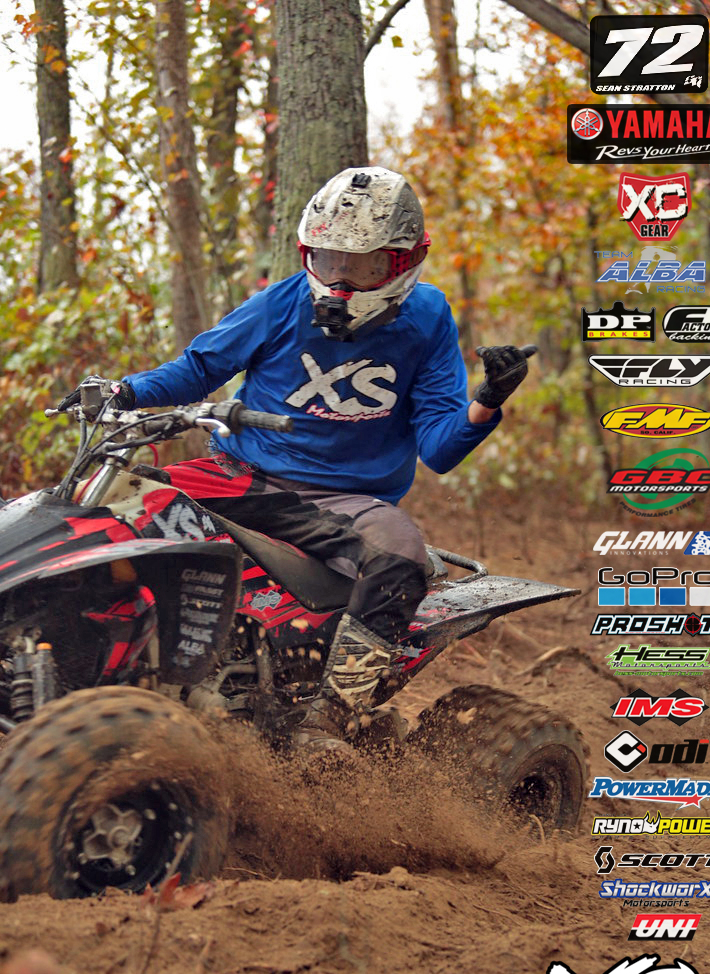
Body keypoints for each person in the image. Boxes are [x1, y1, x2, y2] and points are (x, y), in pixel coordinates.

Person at [106, 166, 533, 750]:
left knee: (400, 557)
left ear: (404, 262)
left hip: (345, 500)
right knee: (115, 501)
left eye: (363, 266)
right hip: (239, 474)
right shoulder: (280, 303)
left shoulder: (427, 317)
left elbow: (438, 448)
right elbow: (198, 369)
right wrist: (122, 392)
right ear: (308, 251)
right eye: (329, 260)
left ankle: (331, 718)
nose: (342, 279)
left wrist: (487, 400)